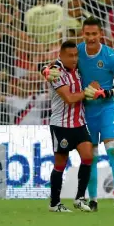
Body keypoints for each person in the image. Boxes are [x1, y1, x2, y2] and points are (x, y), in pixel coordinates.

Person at [42, 17, 114, 212]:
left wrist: (110, 91)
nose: (91, 38)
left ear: (101, 34)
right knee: (92, 156)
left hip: (106, 109)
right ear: (83, 34)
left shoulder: (110, 56)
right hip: (86, 112)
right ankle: (93, 199)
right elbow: (55, 65)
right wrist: (46, 70)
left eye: (94, 34)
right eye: (87, 34)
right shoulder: (77, 52)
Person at [45, 40, 93, 213]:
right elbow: (70, 98)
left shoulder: (78, 69)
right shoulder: (55, 72)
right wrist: (88, 93)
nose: (74, 59)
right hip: (61, 125)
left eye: (75, 55)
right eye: (70, 56)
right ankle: (54, 203)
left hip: (79, 123)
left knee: (88, 156)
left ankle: (80, 198)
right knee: (60, 164)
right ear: (61, 55)